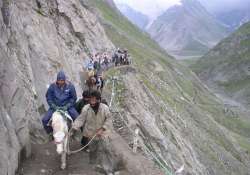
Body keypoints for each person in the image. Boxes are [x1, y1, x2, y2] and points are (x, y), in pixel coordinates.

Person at [72, 90, 113, 165]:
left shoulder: (105, 108)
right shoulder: (86, 108)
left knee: (106, 149)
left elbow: (109, 119)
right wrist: (74, 127)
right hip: (91, 134)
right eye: (91, 100)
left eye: (94, 100)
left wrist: (103, 128)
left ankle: (109, 168)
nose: (92, 102)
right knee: (93, 150)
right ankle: (93, 164)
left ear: (99, 100)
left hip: (103, 133)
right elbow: (81, 119)